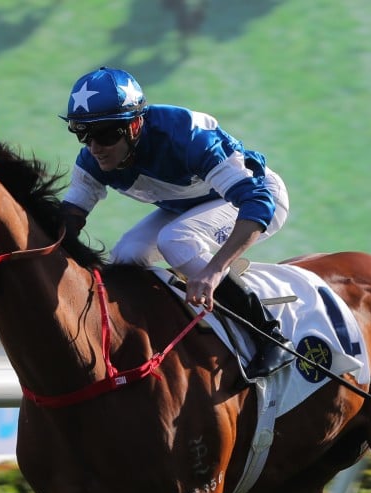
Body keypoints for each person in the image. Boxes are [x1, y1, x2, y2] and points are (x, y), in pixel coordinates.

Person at [58, 66, 294, 378]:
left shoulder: (186, 135)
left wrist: (214, 271)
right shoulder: (94, 158)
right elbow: (67, 221)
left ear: (136, 124)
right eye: (83, 134)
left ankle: (269, 335)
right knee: (126, 255)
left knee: (176, 239)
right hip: (190, 206)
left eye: (106, 134)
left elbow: (257, 202)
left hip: (260, 199)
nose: (94, 147)